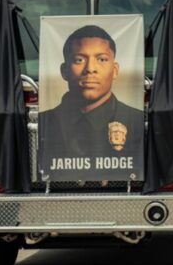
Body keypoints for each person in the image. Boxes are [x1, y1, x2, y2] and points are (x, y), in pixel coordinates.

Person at [37, 25, 144, 173]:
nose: (90, 68)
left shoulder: (138, 121)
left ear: (115, 70)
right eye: (79, 59)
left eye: (101, 59)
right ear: (64, 71)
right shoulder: (42, 124)